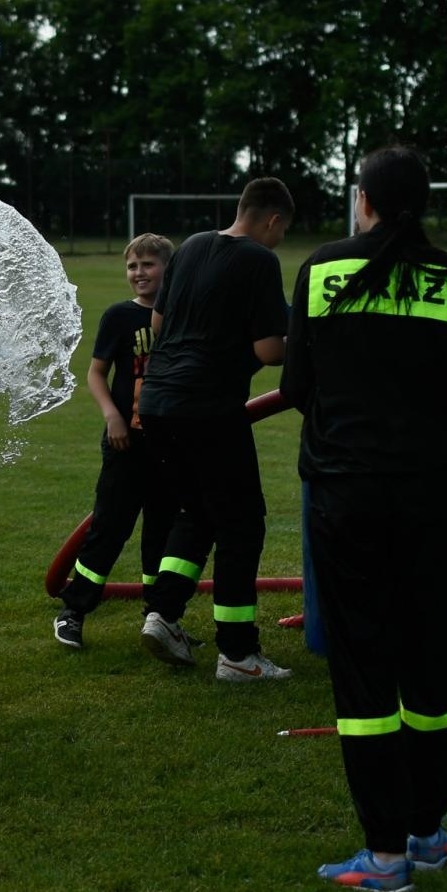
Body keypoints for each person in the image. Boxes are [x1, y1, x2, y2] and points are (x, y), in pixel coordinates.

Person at [283, 146, 447, 892]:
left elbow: (296, 383)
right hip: (431, 498)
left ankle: (383, 855)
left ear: (366, 202)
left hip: (347, 498)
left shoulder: (321, 269)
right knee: (432, 659)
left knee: (364, 666)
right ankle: (427, 831)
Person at [135, 178, 293, 681]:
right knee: (242, 525)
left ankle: (163, 615)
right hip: (208, 407)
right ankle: (239, 654)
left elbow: (158, 326)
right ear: (272, 220)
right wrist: (306, 341)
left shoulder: (193, 246)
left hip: (158, 403)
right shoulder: (260, 261)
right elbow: (270, 350)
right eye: (283, 230)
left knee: (196, 511)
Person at [54, 233, 179, 649]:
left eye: (148, 264)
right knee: (109, 528)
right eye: (132, 266)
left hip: (170, 444)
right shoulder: (119, 316)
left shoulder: (181, 315)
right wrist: (113, 416)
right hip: (127, 443)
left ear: (169, 269)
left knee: (161, 531)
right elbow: (96, 373)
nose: (139, 273)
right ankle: (74, 611)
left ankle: (158, 616)